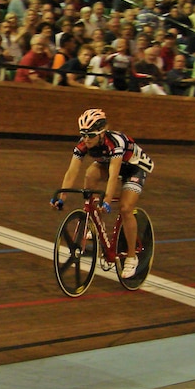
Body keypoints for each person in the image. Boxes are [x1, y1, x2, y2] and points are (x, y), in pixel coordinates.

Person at [50, 109, 154, 278]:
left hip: (135, 168)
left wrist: (106, 200)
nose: (86, 139)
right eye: (83, 134)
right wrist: (62, 197)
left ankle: (131, 257)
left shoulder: (115, 142)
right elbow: (72, 171)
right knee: (90, 174)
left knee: (126, 208)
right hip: (109, 163)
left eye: (90, 135)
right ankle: (96, 223)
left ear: (101, 133)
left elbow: (114, 176)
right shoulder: (83, 143)